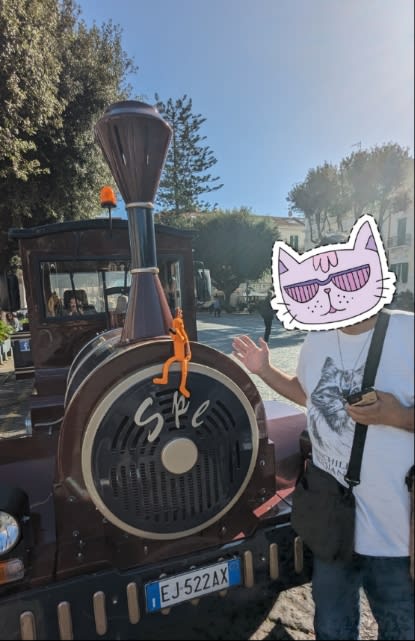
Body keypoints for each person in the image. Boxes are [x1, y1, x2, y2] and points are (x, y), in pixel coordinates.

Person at [232, 233, 414, 640]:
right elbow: (307, 393)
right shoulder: (317, 339)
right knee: (331, 627)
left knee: (401, 628)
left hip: (395, 533)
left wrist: (398, 415)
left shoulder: (408, 332)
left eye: (346, 278)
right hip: (333, 521)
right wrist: (264, 370)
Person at [153, 307, 192, 398]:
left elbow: (176, 332)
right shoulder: (177, 322)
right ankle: (171, 381)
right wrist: (181, 338)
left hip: (181, 351)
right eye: (180, 312)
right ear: (178, 313)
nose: (182, 314)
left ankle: (174, 383)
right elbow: (176, 331)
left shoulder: (177, 324)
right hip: (180, 349)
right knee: (172, 364)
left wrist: (186, 344)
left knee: (173, 364)